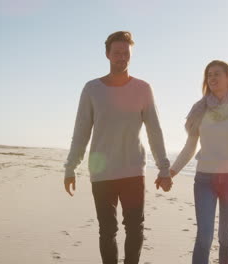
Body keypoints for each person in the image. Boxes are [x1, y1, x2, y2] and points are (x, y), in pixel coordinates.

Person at [63, 31, 173, 264]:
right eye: (117, 52)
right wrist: (70, 167)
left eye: (126, 53)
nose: (122, 57)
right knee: (107, 230)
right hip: (102, 172)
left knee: (135, 228)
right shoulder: (92, 89)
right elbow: (81, 132)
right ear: (107, 55)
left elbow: (155, 131)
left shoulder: (143, 88)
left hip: (133, 170)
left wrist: (164, 167)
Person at [169, 60, 228, 264]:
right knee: (204, 236)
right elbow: (190, 148)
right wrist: (171, 172)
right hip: (205, 180)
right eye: (209, 75)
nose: (212, 78)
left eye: (217, 74)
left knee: (225, 237)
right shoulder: (199, 110)